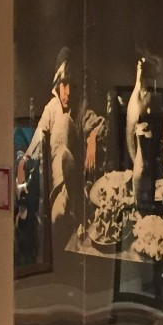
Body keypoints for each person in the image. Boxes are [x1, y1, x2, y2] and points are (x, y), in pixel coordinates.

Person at [18, 47, 102, 256]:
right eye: (64, 85)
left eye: (71, 85)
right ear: (57, 85)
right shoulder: (51, 108)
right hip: (56, 185)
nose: (68, 92)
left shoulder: (80, 107)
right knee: (57, 219)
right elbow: (38, 138)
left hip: (78, 184)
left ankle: (77, 205)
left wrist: (92, 138)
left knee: (67, 134)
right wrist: (25, 159)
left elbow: (97, 123)